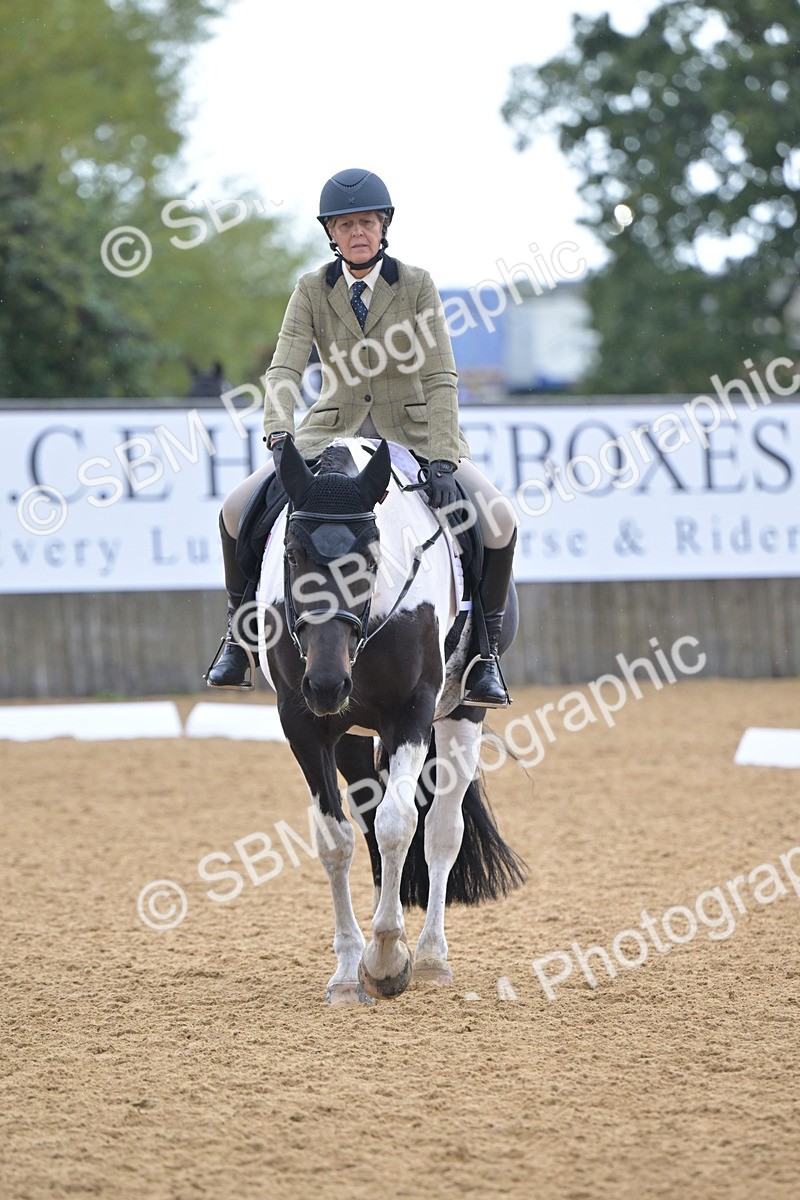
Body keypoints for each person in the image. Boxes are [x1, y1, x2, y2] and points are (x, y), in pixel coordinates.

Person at [205, 168, 518, 706]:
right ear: (331, 232)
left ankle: (484, 655)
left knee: (499, 520)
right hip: (331, 429)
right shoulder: (311, 289)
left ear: (384, 226)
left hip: (414, 434)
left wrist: (443, 460)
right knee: (235, 511)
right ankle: (238, 640)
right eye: (346, 225)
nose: (358, 233)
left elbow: (440, 375)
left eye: (367, 223)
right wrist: (279, 433)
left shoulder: (416, 285)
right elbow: (284, 369)